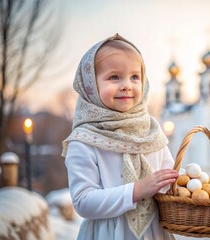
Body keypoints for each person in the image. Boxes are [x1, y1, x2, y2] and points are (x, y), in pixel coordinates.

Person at [62, 33, 179, 240]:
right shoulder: (84, 140)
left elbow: (167, 181)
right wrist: (137, 190)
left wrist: (183, 187)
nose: (127, 85)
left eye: (135, 77)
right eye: (114, 77)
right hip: (109, 233)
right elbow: (83, 201)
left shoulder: (151, 131)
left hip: (154, 231)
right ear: (90, 86)